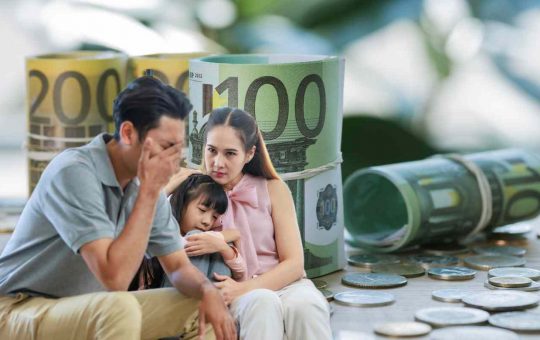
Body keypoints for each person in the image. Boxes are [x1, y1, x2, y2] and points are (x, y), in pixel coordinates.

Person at [0, 76, 236, 340]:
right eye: (165, 147)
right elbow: (115, 279)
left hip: (85, 309)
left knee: (201, 304)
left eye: (178, 149)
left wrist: (207, 290)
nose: (173, 161)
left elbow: (179, 267)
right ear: (127, 133)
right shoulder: (74, 173)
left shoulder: (145, 186)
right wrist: (148, 192)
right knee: (120, 306)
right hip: (17, 308)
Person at [168, 107, 332, 339]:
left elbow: (294, 263)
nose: (217, 162)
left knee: (308, 306)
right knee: (262, 303)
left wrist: (243, 288)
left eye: (230, 153)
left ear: (249, 153)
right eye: (212, 150)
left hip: (284, 283)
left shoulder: (274, 189)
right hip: (229, 289)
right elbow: (166, 240)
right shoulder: (194, 190)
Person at [130, 173, 246, 290]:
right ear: (183, 202)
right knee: (199, 239)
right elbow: (140, 216)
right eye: (202, 210)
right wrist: (223, 236)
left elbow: (241, 272)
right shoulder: (162, 229)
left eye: (214, 217)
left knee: (218, 246)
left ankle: (215, 302)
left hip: (204, 299)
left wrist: (223, 247)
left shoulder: (210, 240)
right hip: (164, 300)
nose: (207, 221)